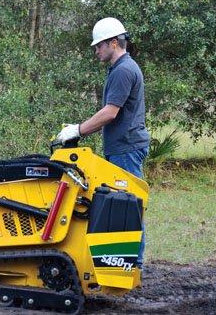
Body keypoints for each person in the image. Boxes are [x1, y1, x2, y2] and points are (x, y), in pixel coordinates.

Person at [56, 17, 149, 269]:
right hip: (122, 147)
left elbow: (110, 113)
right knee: (119, 206)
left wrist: (78, 130)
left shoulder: (124, 71)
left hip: (127, 149)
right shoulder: (120, 69)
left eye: (99, 45)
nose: (96, 50)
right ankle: (119, 262)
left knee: (128, 207)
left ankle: (133, 265)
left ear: (114, 43)